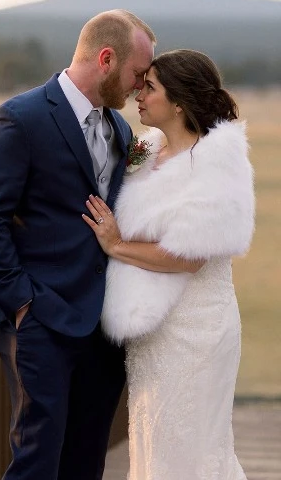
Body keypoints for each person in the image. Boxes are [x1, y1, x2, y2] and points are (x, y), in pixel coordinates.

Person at [0, 10, 156, 480]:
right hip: (41, 324)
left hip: (102, 331)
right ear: (106, 59)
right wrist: (22, 303)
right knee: (37, 462)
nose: (139, 86)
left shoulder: (122, 132)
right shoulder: (20, 118)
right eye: (137, 73)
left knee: (85, 463)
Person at [83, 49, 255, 480]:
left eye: (151, 87)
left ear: (178, 102)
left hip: (197, 331)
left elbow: (188, 257)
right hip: (153, 335)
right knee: (154, 445)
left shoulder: (215, 162)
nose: (138, 93)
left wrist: (116, 245)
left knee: (192, 450)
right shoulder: (146, 149)